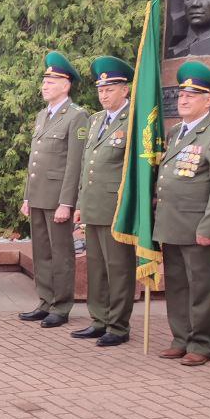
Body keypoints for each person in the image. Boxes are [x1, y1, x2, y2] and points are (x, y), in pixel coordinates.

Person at [155, 61, 210, 366]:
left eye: (192, 95)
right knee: (176, 285)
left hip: (198, 228)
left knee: (201, 288)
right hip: (172, 224)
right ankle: (180, 338)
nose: (184, 100)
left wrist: (209, 226)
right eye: (181, 95)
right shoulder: (175, 132)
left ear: (208, 100)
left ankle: (201, 344)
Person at [19, 52, 89, 329]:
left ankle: (61, 306)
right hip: (38, 196)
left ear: (66, 84)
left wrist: (66, 203)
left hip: (57, 199)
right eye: (44, 80)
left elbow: (75, 164)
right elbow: (34, 160)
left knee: (61, 254)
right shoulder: (41, 116)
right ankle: (45, 301)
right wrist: (27, 195)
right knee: (42, 252)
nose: (45, 85)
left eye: (52, 80)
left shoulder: (76, 116)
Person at [72, 57, 137, 347]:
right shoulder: (96, 120)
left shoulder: (134, 120)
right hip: (93, 205)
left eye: (110, 88)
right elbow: (87, 165)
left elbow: (137, 169)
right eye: (100, 88)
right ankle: (99, 320)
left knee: (118, 269)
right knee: (97, 267)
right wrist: (79, 203)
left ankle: (118, 325)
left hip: (116, 208)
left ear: (125, 89)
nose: (103, 93)